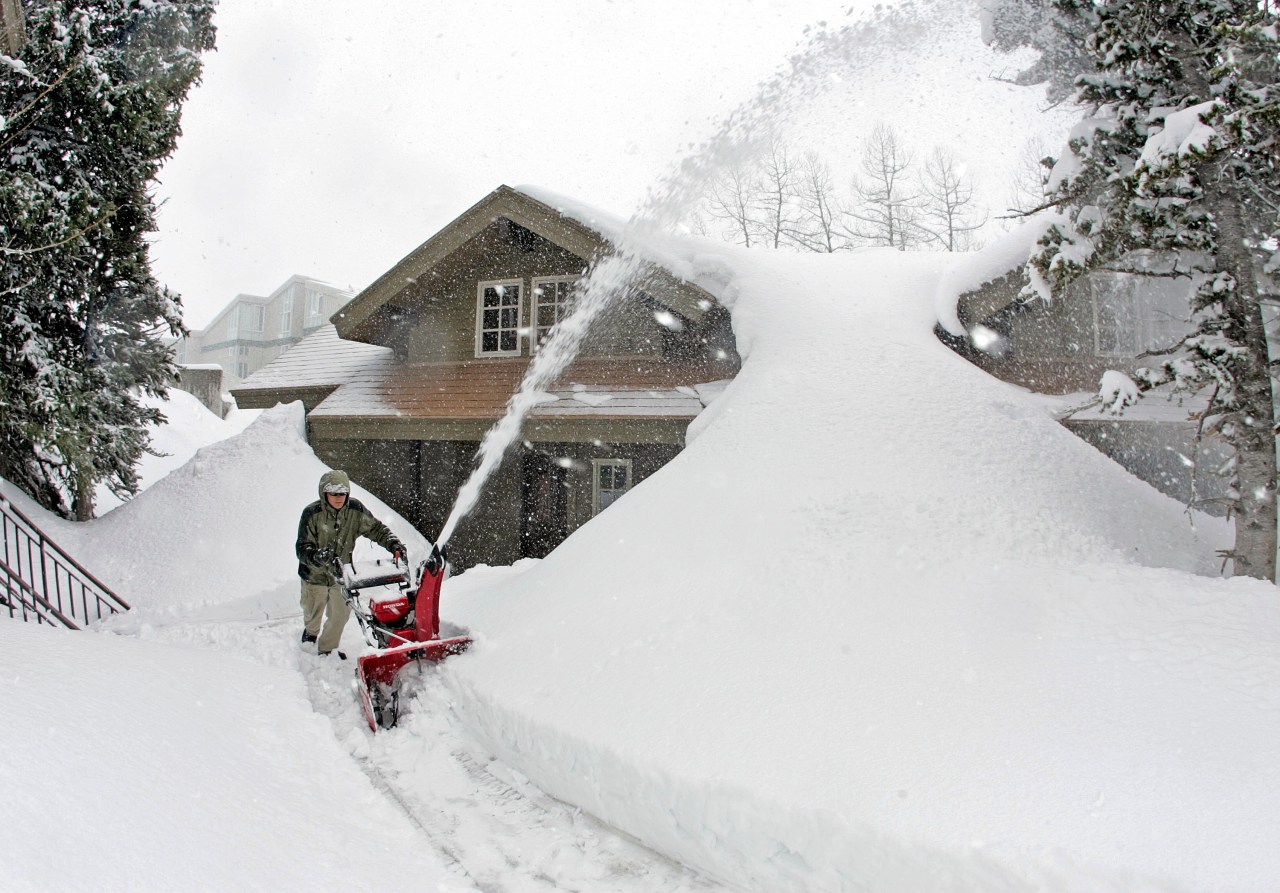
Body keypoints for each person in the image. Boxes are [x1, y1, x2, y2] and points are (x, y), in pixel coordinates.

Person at [295, 469, 405, 659]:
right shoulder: (312, 514)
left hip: (341, 574)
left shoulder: (355, 511)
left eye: (343, 494)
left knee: (340, 616)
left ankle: (327, 650)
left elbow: (377, 529)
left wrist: (393, 544)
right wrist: (317, 556)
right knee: (313, 612)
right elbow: (302, 547)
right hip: (314, 575)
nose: (339, 498)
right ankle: (311, 633)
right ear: (324, 493)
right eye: (334, 494)